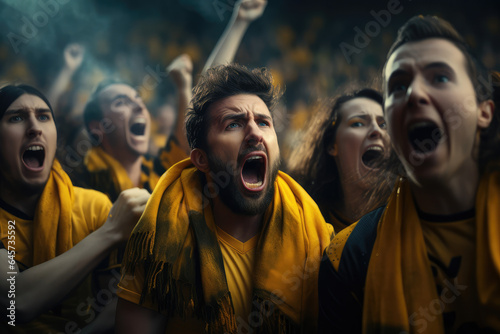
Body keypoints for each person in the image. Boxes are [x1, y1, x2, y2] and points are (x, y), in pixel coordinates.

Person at [115, 64, 333, 333]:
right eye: (234, 124)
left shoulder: (317, 236)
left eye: (264, 122)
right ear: (201, 159)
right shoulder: (159, 241)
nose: (255, 133)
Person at [318, 16, 500, 333]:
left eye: (440, 77)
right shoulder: (345, 258)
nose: (415, 93)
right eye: (399, 85)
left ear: (484, 111)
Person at [0, 84, 150, 333]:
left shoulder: (94, 206)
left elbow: (123, 302)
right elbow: (15, 303)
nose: (35, 127)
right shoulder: (111, 220)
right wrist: (109, 233)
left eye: (44, 116)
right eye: (16, 117)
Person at [287, 89, 393, 232]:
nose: (376, 130)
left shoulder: (413, 212)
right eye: (358, 123)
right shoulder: (304, 225)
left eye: (383, 125)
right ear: (332, 145)